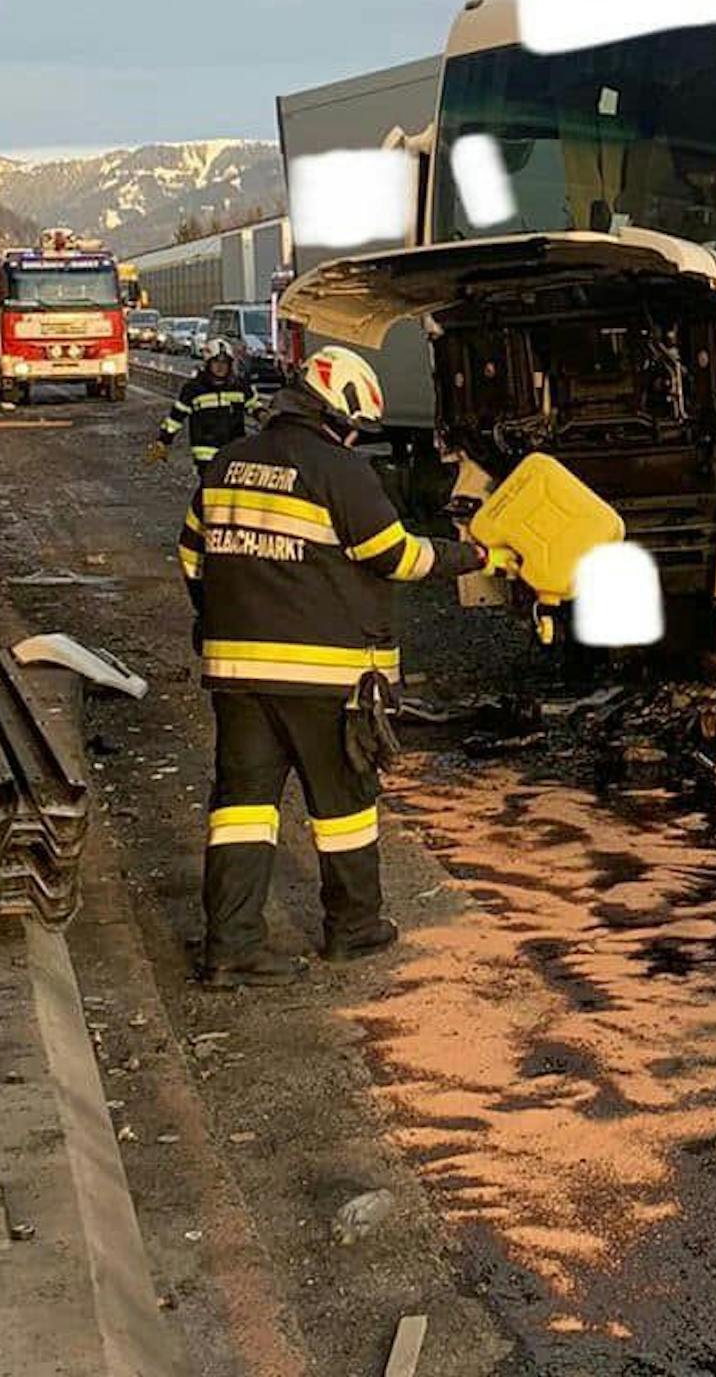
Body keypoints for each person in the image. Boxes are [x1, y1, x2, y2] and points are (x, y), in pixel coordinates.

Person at [177, 345, 516, 987]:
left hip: (237, 673)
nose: (357, 437)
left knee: (241, 809)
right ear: (339, 415)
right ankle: (354, 928)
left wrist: (218, 618)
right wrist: (469, 558)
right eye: (356, 427)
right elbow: (395, 556)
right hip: (322, 675)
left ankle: (231, 947)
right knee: (343, 807)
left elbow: (193, 559)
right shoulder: (339, 469)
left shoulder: (226, 463)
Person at [146, 337, 262, 473]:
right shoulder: (194, 389)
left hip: (234, 452)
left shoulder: (239, 386)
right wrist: (163, 440)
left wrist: (266, 417)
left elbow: (253, 405)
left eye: (224, 363)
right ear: (208, 364)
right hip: (206, 456)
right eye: (216, 362)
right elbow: (175, 419)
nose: (220, 367)